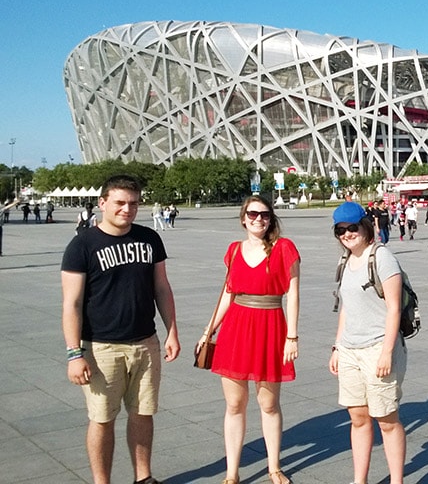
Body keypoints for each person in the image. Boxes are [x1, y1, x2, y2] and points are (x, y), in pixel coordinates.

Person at [61, 174, 180, 484]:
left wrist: (172, 332)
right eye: (120, 203)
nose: (127, 209)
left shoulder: (150, 238)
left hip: (145, 342)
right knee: (102, 419)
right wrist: (75, 353)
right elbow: (71, 303)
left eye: (133, 204)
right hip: (102, 347)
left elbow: (162, 288)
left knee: (143, 414)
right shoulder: (82, 245)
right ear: (103, 204)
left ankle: (144, 477)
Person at [197, 196, 300, 484]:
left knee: (268, 404)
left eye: (265, 215)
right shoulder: (233, 251)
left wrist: (292, 335)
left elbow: (293, 294)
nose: (259, 219)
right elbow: (228, 295)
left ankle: (274, 467)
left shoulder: (284, 248)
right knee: (234, 404)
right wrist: (208, 331)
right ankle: (232, 473)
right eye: (253, 214)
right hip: (236, 328)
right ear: (243, 218)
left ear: (271, 219)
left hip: (271, 327)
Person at [329, 201, 407, 484]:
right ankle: (359, 480)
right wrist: (337, 346)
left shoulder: (382, 258)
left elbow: (394, 309)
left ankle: (396, 480)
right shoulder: (346, 261)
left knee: (386, 419)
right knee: (359, 419)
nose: (347, 234)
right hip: (350, 349)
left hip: (377, 348)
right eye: (341, 230)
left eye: (352, 228)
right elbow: (346, 307)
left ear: (364, 226)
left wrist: (387, 352)